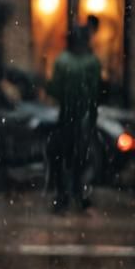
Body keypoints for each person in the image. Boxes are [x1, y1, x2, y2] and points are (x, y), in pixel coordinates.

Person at [46, 25, 102, 212]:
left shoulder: (62, 61)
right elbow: (96, 92)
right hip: (83, 117)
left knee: (63, 158)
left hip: (66, 116)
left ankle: (63, 196)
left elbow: (54, 89)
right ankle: (79, 194)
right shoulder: (92, 62)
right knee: (80, 158)